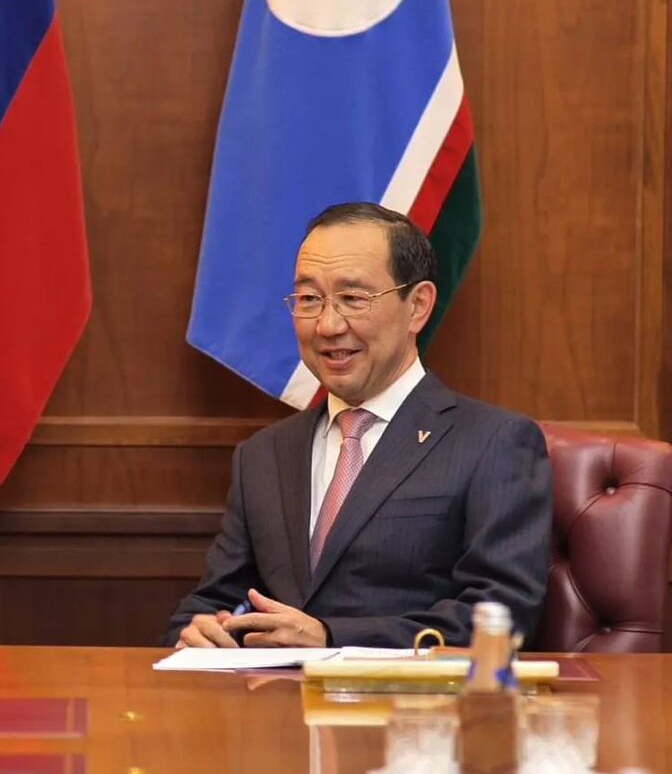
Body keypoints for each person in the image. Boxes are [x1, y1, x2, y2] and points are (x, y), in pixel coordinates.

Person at [165, 202, 551, 650]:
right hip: (272, 694)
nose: (328, 325)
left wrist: (332, 638)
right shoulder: (263, 454)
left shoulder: (494, 443)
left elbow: (501, 616)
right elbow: (216, 602)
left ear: (418, 306)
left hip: (411, 696)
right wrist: (198, 631)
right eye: (309, 300)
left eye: (353, 299)